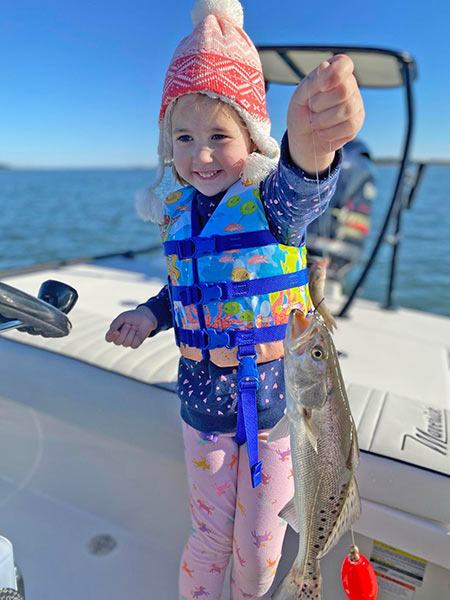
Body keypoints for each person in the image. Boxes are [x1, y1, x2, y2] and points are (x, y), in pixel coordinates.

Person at [105, 1, 364, 598]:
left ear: (252, 139)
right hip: (202, 412)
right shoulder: (178, 214)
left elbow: (304, 185)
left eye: (219, 136)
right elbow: (184, 288)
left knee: (261, 542)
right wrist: (150, 314)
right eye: (184, 137)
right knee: (208, 536)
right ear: (167, 144)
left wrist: (312, 138)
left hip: (277, 415)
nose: (199, 156)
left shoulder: (272, 207)